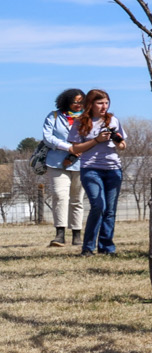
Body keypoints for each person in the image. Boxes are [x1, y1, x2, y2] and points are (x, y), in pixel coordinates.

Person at [68, 88, 125, 256]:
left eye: (106, 103)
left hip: (113, 169)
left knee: (110, 210)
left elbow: (123, 146)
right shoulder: (80, 122)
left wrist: (116, 140)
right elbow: (74, 148)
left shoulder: (113, 120)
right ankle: (87, 247)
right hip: (91, 169)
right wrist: (96, 140)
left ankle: (107, 247)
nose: (104, 106)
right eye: (100, 103)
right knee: (98, 206)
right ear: (90, 104)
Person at [40, 88, 86, 248]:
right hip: (57, 163)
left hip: (81, 163)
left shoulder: (87, 117)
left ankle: (77, 234)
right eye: (75, 102)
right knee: (59, 196)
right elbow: (48, 137)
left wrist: (77, 151)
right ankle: (59, 234)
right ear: (66, 102)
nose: (78, 105)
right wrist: (68, 148)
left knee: (77, 199)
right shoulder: (53, 116)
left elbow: (91, 137)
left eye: (81, 101)